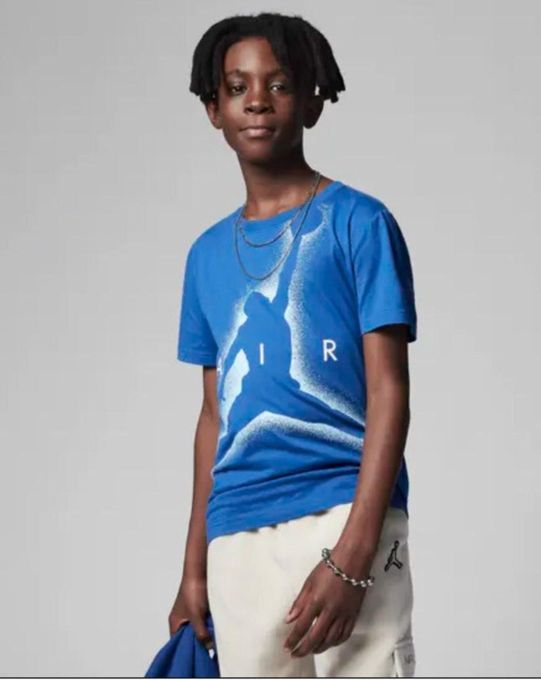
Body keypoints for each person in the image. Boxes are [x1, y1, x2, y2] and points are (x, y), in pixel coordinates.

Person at [169, 11, 418, 678]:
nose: (256, 101)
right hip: (237, 531)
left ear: (312, 101)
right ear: (213, 109)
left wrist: (354, 551)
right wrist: (194, 569)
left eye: (278, 84)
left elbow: (388, 389)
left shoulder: (360, 223)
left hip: (343, 507)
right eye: (237, 87)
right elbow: (213, 416)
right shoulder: (204, 257)